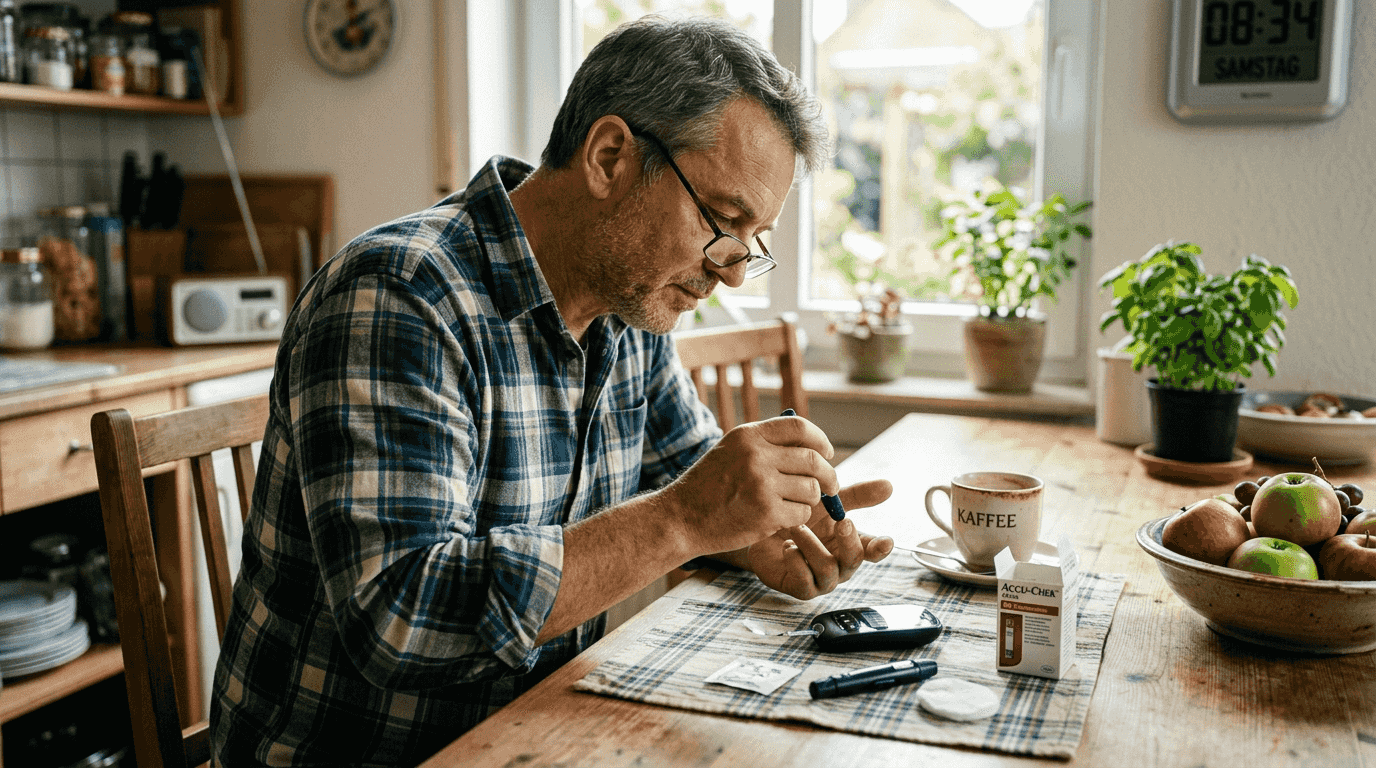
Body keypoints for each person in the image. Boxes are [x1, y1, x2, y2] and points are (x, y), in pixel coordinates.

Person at [210, 15, 895, 767]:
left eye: (751, 240)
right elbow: (400, 622)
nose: (732, 269)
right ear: (610, 158)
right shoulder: (400, 297)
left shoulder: (628, 308)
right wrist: (690, 518)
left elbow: (694, 489)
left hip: (533, 733)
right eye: (724, 220)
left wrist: (756, 533)